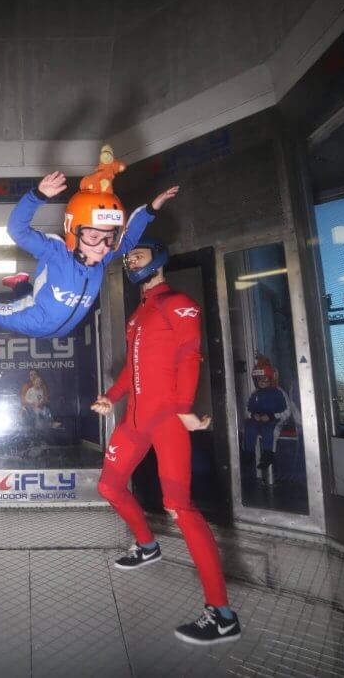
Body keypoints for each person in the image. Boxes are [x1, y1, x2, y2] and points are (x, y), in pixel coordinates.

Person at [91, 237, 241, 646]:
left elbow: (190, 355)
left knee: (180, 507)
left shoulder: (179, 302)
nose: (131, 262)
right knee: (109, 486)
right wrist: (112, 397)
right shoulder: (139, 313)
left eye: (137, 255)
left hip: (168, 420)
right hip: (136, 419)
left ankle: (223, 615)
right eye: (127, 259)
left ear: (157, 260)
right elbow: (131, 370)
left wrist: (184, 407)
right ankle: (147, 545)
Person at [0, 145, 179, 338]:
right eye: (93, 236)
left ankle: (20, 283)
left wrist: (150, 209)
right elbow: (17, 230)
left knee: (43, 291)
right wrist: (37, 196)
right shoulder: (56, 251)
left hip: (57, 327)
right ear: (75, 231)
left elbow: (128, 241)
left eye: (108, 238)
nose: (102, 246)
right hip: (29, 319)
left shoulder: (102, 258)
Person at [243, 355, 292, 479]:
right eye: (260, 380)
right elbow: (248, 409)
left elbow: (286, 411)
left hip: (273, 420)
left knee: (269, 430)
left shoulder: (278, 392)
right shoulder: (255, 394)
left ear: (271, 379)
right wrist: (254, 415)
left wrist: (271, 416)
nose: (263, 382)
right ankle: (248, 453)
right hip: (258, 420)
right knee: (249, 427)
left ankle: (268, 455)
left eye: (265, 379)